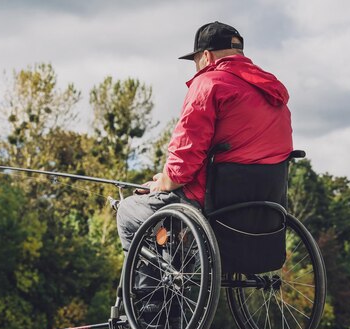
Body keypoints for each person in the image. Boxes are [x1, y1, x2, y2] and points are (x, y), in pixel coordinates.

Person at [116, 21, 293, 252]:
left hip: (212, 200)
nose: (196, 67)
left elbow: (186, 152)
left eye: (196, 59)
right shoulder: (273, 91)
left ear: (207, 56)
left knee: (128, 211)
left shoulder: (208, 83)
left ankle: (150, 288)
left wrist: (165, 182)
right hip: (265, 202)